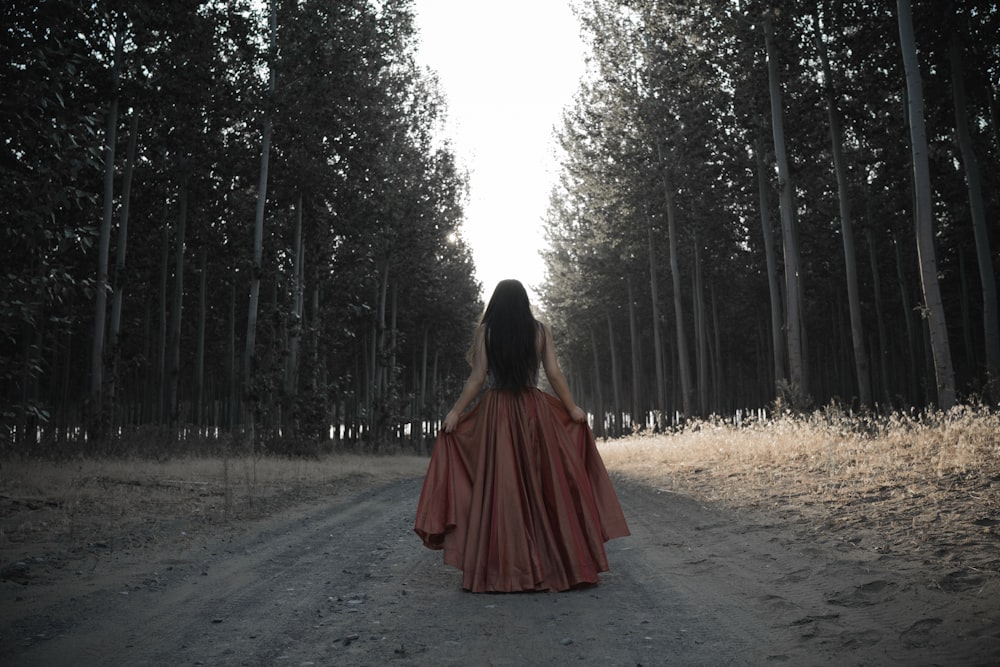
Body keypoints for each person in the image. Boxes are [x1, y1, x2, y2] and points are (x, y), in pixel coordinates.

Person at [414, 279, 629, 592]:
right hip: (534, 412)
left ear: (496, 303)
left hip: (497, 412)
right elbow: (554, 373)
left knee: (502, 488)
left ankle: (503, 570)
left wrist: (456, 412)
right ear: (524, 302)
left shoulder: (486, 331)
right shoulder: (540, 330)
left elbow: (477, 379)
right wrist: (571, 409)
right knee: (543, 487)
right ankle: (557, 564)